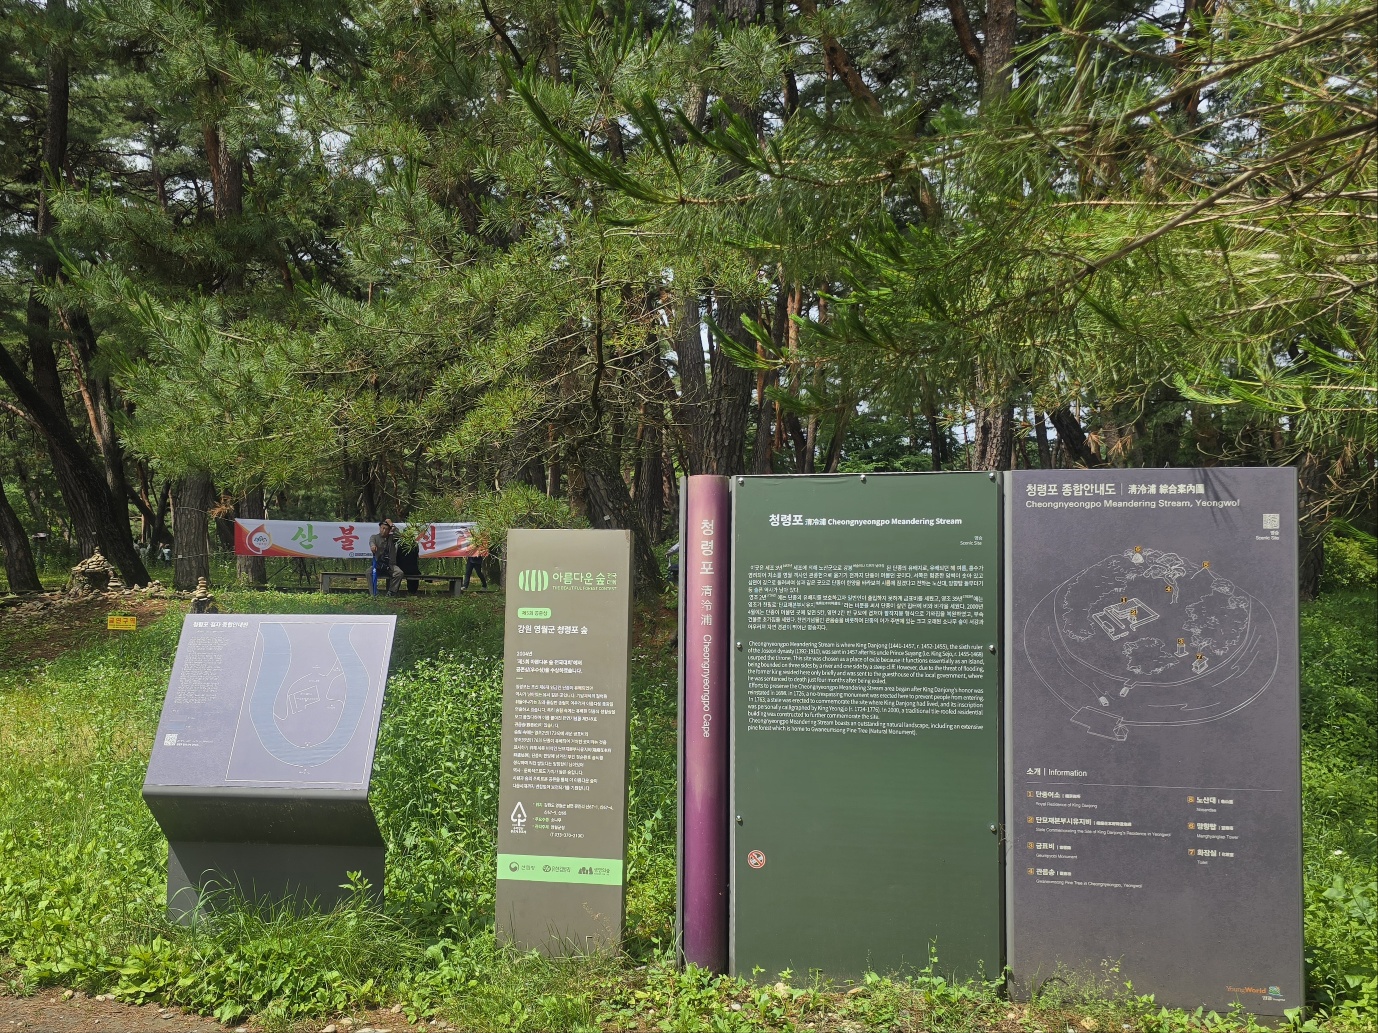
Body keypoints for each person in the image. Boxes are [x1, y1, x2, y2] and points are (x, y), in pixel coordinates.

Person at [369, 519, 404, 597]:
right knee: (368, 572)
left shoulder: (392, 538)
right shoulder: (374, 537)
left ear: (389, 530)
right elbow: (371, 542)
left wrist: (391, 524)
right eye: (383, 528)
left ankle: (392, 592)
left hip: (390, 564)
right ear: (380, 528)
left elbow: (399, 536)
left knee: (399, 573)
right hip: (378, 564)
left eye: (387, 529)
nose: (384, 531)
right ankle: (373, 593)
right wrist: (373, 546)